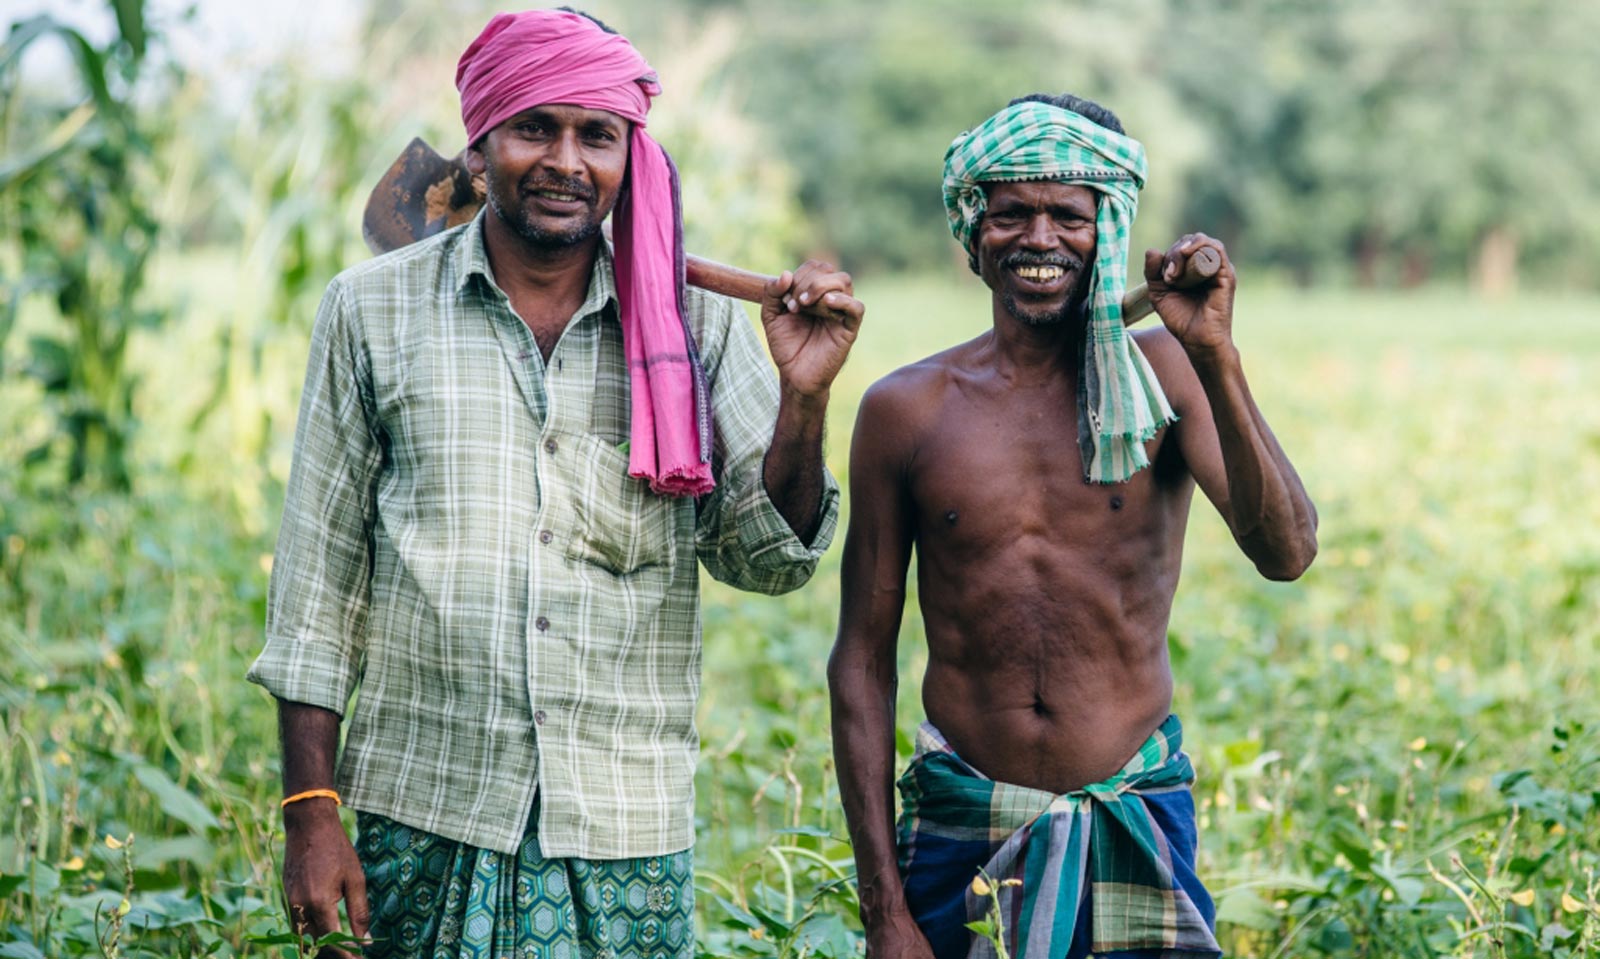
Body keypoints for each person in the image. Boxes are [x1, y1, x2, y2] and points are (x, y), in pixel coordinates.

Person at [247, 8, 863, 958]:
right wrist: (309, 810)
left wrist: (805, 400)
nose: (566, 160)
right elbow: (317, 590)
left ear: (629, 155)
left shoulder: (695, 324)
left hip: (623, 823)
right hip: (426, 804)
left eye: (597, 135)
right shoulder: (371, 310)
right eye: (535, 127)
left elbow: (767, 560)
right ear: (482, 144)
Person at [829, 93, 1317, 959]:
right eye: (1011, 213)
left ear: (1113, 229)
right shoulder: (907, 411)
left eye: (1070, 215)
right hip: (961, 816)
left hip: (1132, 807)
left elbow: (1286, 551)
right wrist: (884, 911)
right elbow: (862, 661)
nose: (1040, 239)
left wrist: (1215, 353)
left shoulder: (1163, 379)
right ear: (973, 233)